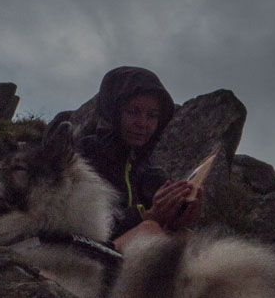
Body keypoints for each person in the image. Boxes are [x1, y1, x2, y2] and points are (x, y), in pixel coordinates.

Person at [77, 66, 202, 246]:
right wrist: (146, 216)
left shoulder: (152, 174)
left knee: (186, 237)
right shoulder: (84, 155)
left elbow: (162, 226)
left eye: (152, 116)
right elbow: (79, 225)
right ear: (113, 111)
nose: (143, 123)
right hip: (84, 256)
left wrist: (179, 217)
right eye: (133, 112)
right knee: (149, 230)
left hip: (125, 260)